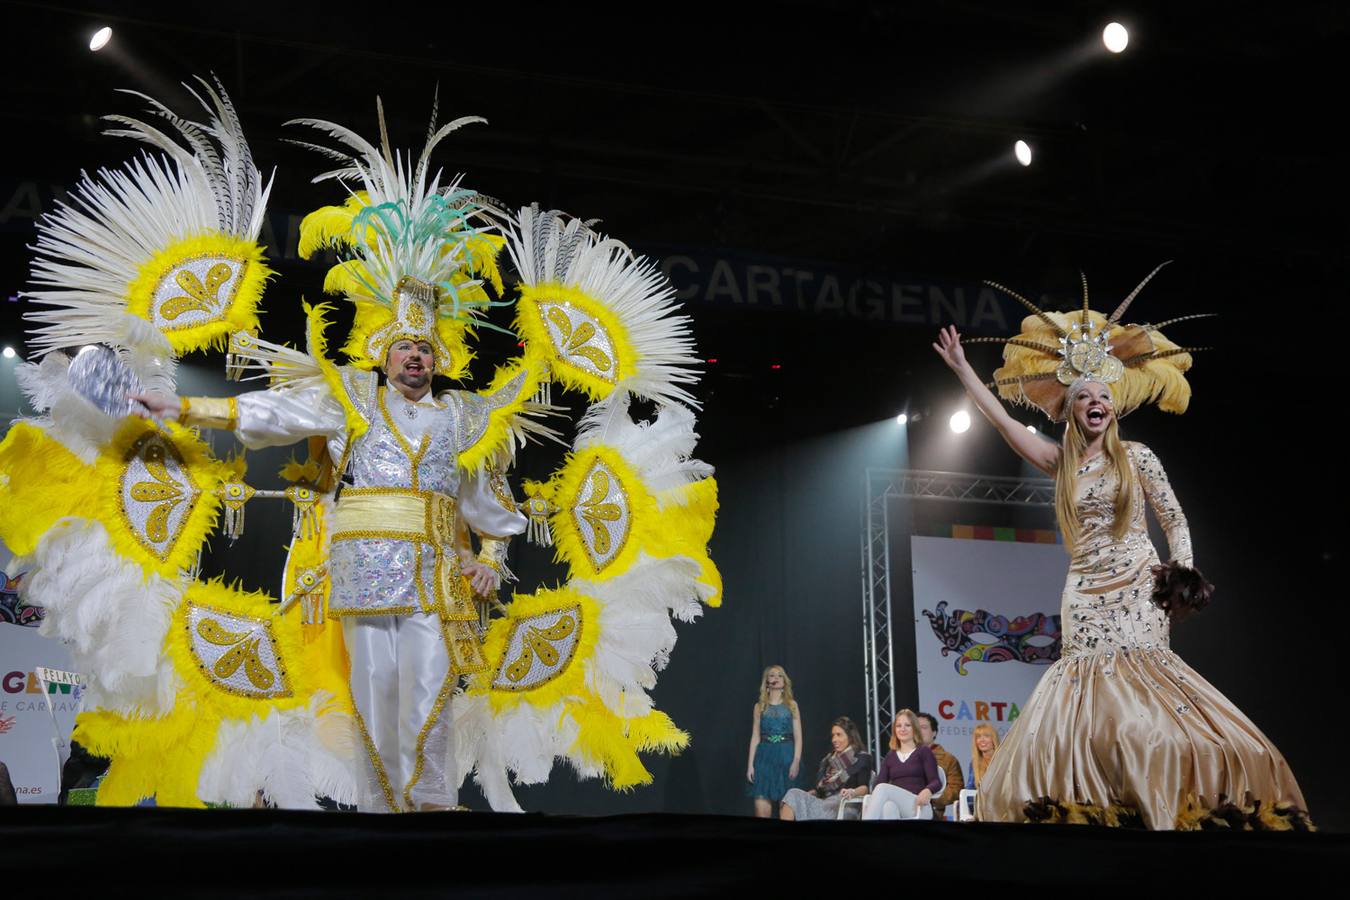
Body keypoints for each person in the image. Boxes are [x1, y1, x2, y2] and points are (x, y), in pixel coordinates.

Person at [932, 282, 1309, 829]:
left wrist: (1181, 569)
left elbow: (1174, 519)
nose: (1097, 403)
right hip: (1083, 593)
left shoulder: (1138, 458)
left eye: (1103, 396)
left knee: (1146, 694)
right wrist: (965, 370)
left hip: (1137, 582)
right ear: (1070, 407)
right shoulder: (1060, 463)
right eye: (1085, 396)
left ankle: (1165, 796)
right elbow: (1006, 424)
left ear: (1114, 406)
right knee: (1089, 700)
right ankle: (1105, 807)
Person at [136, 324, 526, 812]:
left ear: (438, 361)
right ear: (383, 360)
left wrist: (490, 558)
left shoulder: (462, 418)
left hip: (435, 575)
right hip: (363, 574)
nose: (415, 356)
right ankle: (381, 810)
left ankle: (432, 802)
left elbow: (486, 501)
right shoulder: (354, 400)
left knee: (432, 685)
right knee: (375, 693)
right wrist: (189, 408)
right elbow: (279, 414)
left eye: (425, 349)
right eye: (403, 346)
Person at [779, 717, 874, 821]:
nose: (834, 740)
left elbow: (864, 788)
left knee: (796, 798)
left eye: (839, 735)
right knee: (793, 794)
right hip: (824, 802)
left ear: (850, 737)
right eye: (833, 735)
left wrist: (852, 792)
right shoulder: (828, 760)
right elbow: (819, 790)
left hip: (844, 805)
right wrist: (809, 794)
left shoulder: (861, 758)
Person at [860, 708, 941, 820]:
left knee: (883, 789)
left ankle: (863, 832)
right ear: (895, 730)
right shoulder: (891, 756)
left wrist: (928, 790)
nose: (902, 729)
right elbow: (877, 785)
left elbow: (936, 782)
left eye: (907, 725)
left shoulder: (924, 751)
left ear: (914, 728)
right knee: (888, 807)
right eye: (898, 726)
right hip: (899, 806)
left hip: (920, 806)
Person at [745, 665, 802, 817]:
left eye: (779, 675)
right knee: (761, 810)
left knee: (787, 809)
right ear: (767, 681)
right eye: (772, 675)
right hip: (764, 758)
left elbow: (798, 737)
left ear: (784, 681)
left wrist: (796, 760)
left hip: (786, 757)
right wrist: (750, 765)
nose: (776, 678)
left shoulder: (792, 705)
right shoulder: (759, 706)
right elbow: (755, 736)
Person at [917, 712, 964, 816]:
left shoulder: (948, 759)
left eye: (924, 727)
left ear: (934, 732)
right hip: (903, 809)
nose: (919, 731)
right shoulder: (902, 756)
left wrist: (931, 797)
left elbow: (956, 790)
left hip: (931, 812)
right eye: (916, 727)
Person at [965, 723, 998, 792]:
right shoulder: (974, 763)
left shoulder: (1003, 760)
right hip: (982, 801)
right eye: (978, 737)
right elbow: (970, 789)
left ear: (993, 739)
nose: (982, 740)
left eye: (986, 736)